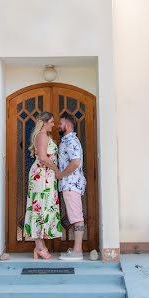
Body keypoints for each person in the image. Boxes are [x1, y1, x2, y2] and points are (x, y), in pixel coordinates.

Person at [23, 111, 63, 259]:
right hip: (41, 176)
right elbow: (42, 158)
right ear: (44, 122)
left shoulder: (45, 136)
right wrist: (57, 170)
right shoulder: (41, 135)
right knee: (39, 207)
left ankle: (38, 247)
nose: (53, 124)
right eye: (51, 122)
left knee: (45, 207)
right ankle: (40, 247)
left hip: (47, 177)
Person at [56, 112, 87, 261]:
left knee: (76, 217)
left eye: (60, 123)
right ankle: (76, 249)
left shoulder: (70, 141)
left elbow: (75, 162)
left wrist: (61, 175)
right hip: (70, 184)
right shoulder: (68, 140)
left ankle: (77, 251)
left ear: (67, 125)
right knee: (75, 216)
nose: (58, 126)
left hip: (70, 184)